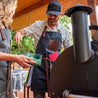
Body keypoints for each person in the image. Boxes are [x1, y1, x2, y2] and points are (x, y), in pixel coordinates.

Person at [14, 0, 72, 98]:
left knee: (56, 94)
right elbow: (22, 31)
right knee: (38, 95)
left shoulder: (64, 31)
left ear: (60, 15)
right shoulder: (38, 25)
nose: (52, 17)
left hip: (55, 68)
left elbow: (68, 51)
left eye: (55, 15)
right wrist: (19, 33)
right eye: (50, 14)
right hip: (39, 67)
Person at [0, 0, 36, 98]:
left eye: (13, 10)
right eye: (9, 10)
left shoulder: (6, 26)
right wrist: (15, 58)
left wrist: (22, 60)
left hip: (5, 79)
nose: (11, 13)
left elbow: (5, 52)